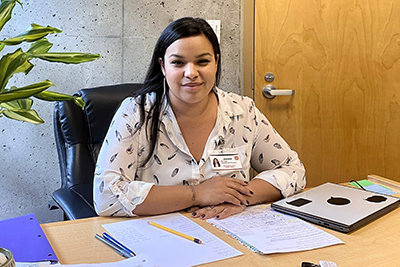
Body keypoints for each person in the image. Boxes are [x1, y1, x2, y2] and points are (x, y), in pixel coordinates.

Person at [93, 17, 306, 220]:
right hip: (160, 236)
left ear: (216, 62)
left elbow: (292, 169)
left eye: (202, 61)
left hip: (230, 234)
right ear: (162, 66)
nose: (191, 73)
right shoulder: (136, 113)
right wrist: (198, 194)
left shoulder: (243, 111)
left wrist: (237, 196)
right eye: (178, 63)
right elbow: (106, 196)